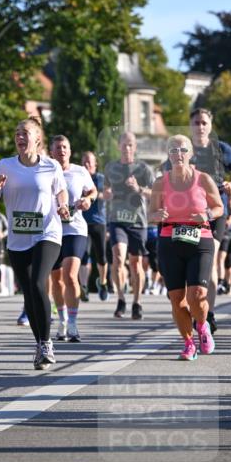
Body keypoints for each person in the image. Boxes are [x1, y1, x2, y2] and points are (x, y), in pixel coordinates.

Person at [0, 117, 70, 369]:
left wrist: (63, 205)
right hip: (17, 239)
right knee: (29, 293)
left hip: (47, 233)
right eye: (17, 133)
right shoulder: (4, 166)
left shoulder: (51, 166)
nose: (20, 137)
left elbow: (60, 190)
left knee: (37, 282)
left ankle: (46, 344)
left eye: (25, 132)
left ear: (37, 139)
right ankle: (39, 343)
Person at [149, 135, 223, 360]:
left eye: (182, 150)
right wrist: (157, 215)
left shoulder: (204, 180)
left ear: (190, 154)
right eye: (173, 150)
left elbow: (219, 207)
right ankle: (189, 343)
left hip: (200, 238)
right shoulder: (161, 182)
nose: (178, 154)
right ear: (168, 155)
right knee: (177, 298)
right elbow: (151, 214)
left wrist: (207, 215)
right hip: (170, 240)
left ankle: (202, 325)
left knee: (197, 294)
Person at [187, 107, 231, 331]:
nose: (200, 127)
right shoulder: (184, 149)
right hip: (190, 214)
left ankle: (208, 314)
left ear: (210, 126)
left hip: (216, 212)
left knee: (208, 259)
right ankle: (197, 309)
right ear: (190, 126)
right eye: (196, 123)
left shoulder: (221, 149)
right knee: (191, 265)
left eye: (204, 123)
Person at [49, 135, 96, 343]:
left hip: (75, 229)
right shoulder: (46, 170)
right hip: (52, 230)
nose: (62, 151)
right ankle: (62, 320)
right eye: (58, 147)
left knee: (70, 275)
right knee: (56, 280)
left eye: (65, 147)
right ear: (51, 151)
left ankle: (74, 324)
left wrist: (88, 199)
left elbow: (92, 190)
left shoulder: (79, 171)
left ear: (70, 150)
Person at [104, 131, 154, 320]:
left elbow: (155, 193)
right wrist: (107, 193)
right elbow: (105, 191)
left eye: (130, 144)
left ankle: (137, 302)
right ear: (119, 146)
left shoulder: (143, 169)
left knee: (135, 263)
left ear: (135, 147)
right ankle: (121, 298)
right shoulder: (111, 168)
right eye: (124, 144)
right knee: (117, 258)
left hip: (138, 221)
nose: (127, 148)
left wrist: (139, 189)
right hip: (117, 219)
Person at [80, 151, 109, 301]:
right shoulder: (78, 177)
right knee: (83, 256)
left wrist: (94, 194)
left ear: (95, 164)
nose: (86, 165)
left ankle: (103, 283)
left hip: (99, 222)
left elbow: (108, 195)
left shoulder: (100, 179)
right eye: (84, 162)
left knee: (101, 257)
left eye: (89, 162)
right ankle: (83, 288)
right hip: (82, 223)